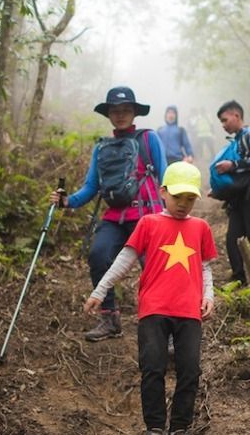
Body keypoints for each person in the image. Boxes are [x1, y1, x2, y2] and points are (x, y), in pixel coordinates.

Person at [84, 162, 217, 435]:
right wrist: (99, 291)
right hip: (154, 309)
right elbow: (124, 260)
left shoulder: (200, 228)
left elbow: (205, 267)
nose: (183, 204)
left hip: (189, 312)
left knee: (190, 371)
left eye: (190, 199)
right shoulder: (148, 223)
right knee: (153, 369)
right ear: (163, 192)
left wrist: (209, 295)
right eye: (178, 197)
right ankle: (155, 431)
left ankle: (180, 432)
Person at [51, 86, 167, 342]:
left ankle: (164, 326)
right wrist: (66, 201)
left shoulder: (149, 139)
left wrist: (170, 214)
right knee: (99, 254)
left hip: (148, 216)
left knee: (155, 269)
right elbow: (92, 187)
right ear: (109, 115)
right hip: (116, 217)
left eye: (126, 110)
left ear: (135, 112)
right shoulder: (102, 148)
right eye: (115, 110)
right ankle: (110, 318)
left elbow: (165, 175)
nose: (121, 115)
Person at [213, 100, 250, 285]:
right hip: (238, 197)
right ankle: (239, 278)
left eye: (225, 120)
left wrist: (233, 165)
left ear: (236, 116)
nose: (223, 125)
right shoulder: (236, 140)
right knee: (232, 238)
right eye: (221, 122)